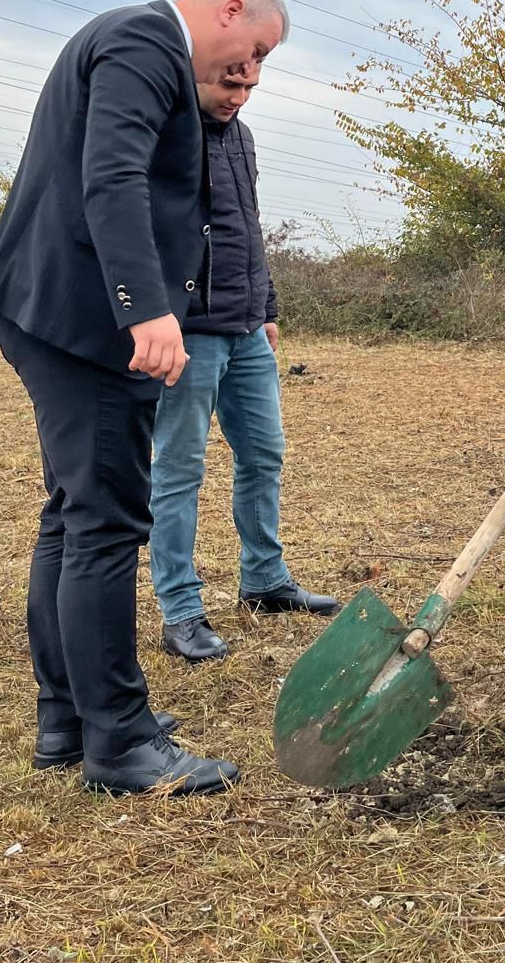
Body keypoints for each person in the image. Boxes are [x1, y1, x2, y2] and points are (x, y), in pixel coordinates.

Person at [0, 0, 287, 795]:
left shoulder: (129, 42)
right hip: (86, 323)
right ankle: (120, 742)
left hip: (54, 311)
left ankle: (69, 719)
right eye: (254, 49)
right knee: (108, 524)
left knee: (74, 517)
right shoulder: (147, 43)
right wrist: (145, 310)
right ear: (229, 10)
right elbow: (109, 177)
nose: (252, 69)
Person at [150, 65, 338, 662]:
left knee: (264, 453)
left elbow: (245, 227)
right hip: (188, 332)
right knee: (179, 469)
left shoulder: (242, 136)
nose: (239, 98)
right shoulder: (164, 132)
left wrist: (268, 305)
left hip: (248, 328)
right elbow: (142, 231)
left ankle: (263, 580)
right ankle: (180, 610)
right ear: (194, 75)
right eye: (229, 87)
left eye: (249, 89)